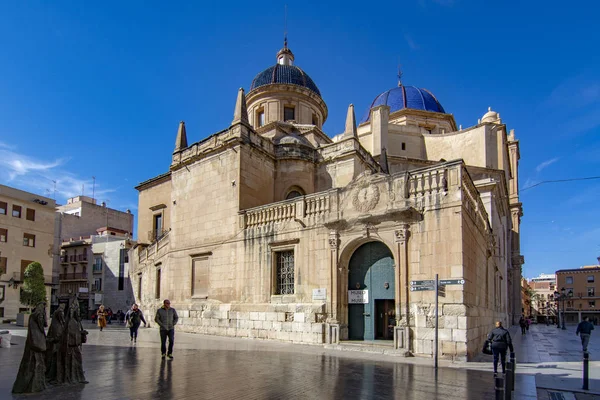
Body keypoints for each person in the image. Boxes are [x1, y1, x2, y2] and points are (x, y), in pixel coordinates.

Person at [12, 302, 48, 394]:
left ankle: (36, 384)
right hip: (34, 346)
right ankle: (31, 385)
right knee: (33, 365)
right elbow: (42, 325)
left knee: (37, 365)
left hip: (35, 345)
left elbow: (44, 324)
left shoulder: (35, 317)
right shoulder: (35, 317)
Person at [45, 303, 66, 383]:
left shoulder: (56, 312)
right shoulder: (60, 311)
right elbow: (62, 320)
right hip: (57, 332)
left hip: (54, 330)